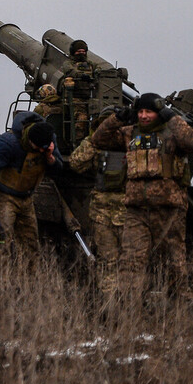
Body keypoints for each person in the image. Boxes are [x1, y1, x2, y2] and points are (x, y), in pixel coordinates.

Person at [90, 93, 193, 296]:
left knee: (174, 261)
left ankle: (179, 305)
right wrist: (117, 118)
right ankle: (128, 310)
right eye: (140, 111)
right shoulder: (129, 133)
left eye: (149, 111)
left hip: (169, 209)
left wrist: (171, 117)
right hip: (137, 210)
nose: (143, 116)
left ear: (158, 112)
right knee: (131, 262)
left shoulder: (172, 134)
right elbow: (98, 139)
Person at [0, 111, 65, 272]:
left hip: (26, 200)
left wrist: (50, 157)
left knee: (31, 248)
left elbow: (58, 169)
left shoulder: (48, 140)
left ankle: (27, 289)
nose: (40, 150)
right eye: (38, 148)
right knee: (1, 244)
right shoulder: (10, 144)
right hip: (4, 198)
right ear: (30, 141)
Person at [69, 108, 126, 299]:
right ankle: (126, 305)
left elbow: (75, 163)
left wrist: (93, 141)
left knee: (109, 261)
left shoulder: (95, 142)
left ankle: (111, 305)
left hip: (104, 210)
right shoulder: (132, 140)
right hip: (127, 210)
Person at [58, 39, 99, 146]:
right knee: (82, 119)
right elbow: (70, 71)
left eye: (83, 51)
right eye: (78, 51)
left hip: (89, 98)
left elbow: (98, 70)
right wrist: (81, 76)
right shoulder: (68, 64)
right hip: (74, 99)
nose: (81, 53)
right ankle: (78, 144)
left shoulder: (91, 64)